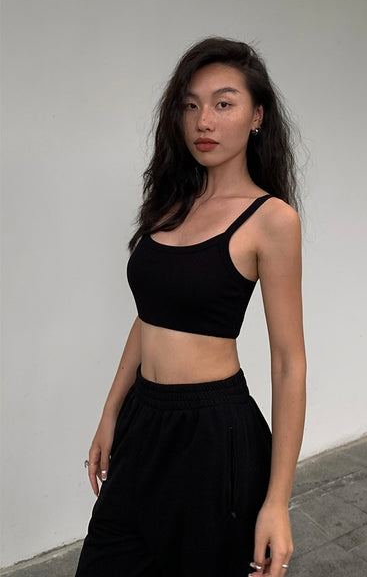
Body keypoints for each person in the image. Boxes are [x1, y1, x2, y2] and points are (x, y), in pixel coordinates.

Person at [75, 36, 306, 577]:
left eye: (224, 103)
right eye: (191, 104)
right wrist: (111, 413)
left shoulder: (272, 220)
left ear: (257, 116)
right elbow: (150, 315)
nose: (204, 120)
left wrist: (277, 502)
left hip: (214, 435)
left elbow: (288, 362)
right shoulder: (170, 203)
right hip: (143, 421)